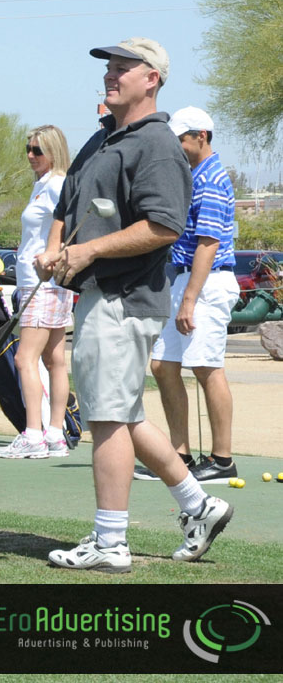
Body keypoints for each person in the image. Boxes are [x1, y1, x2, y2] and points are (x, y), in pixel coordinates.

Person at [40, 38, 232, 572]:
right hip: (100, 294)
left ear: (153, 79)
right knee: (123, 413)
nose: (112, 74)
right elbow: (68, 201)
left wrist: (88, 250)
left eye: (125, 67)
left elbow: (164, 226)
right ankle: (200, 505)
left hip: (126, 298)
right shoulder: (103, 138)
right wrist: (55, 248)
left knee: (106, 417)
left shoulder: (158, 146)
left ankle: (111, 543)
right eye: (109, 66)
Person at [141, 107, 240, 483]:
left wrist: (188, 300)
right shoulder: (192, 174)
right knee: (163, 366)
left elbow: (208, 244)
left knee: (206, 367)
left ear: (201, 135)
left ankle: (222, 459)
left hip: (208, 282)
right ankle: (179, 457)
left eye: (181, 139)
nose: (177, 146)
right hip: (186, 279)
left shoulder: (212, 178)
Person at [0, 125, 75, 460]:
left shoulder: (56, 184)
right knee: (54, 358)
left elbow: (68, 226)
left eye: (37, 150)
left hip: (43, 282)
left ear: (54, 152)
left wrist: (51, 257)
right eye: (27, 148)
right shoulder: (42, 185)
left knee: (23, 357)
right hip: (45, 282)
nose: (30, 155)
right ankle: (55, 435)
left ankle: (33, 435)